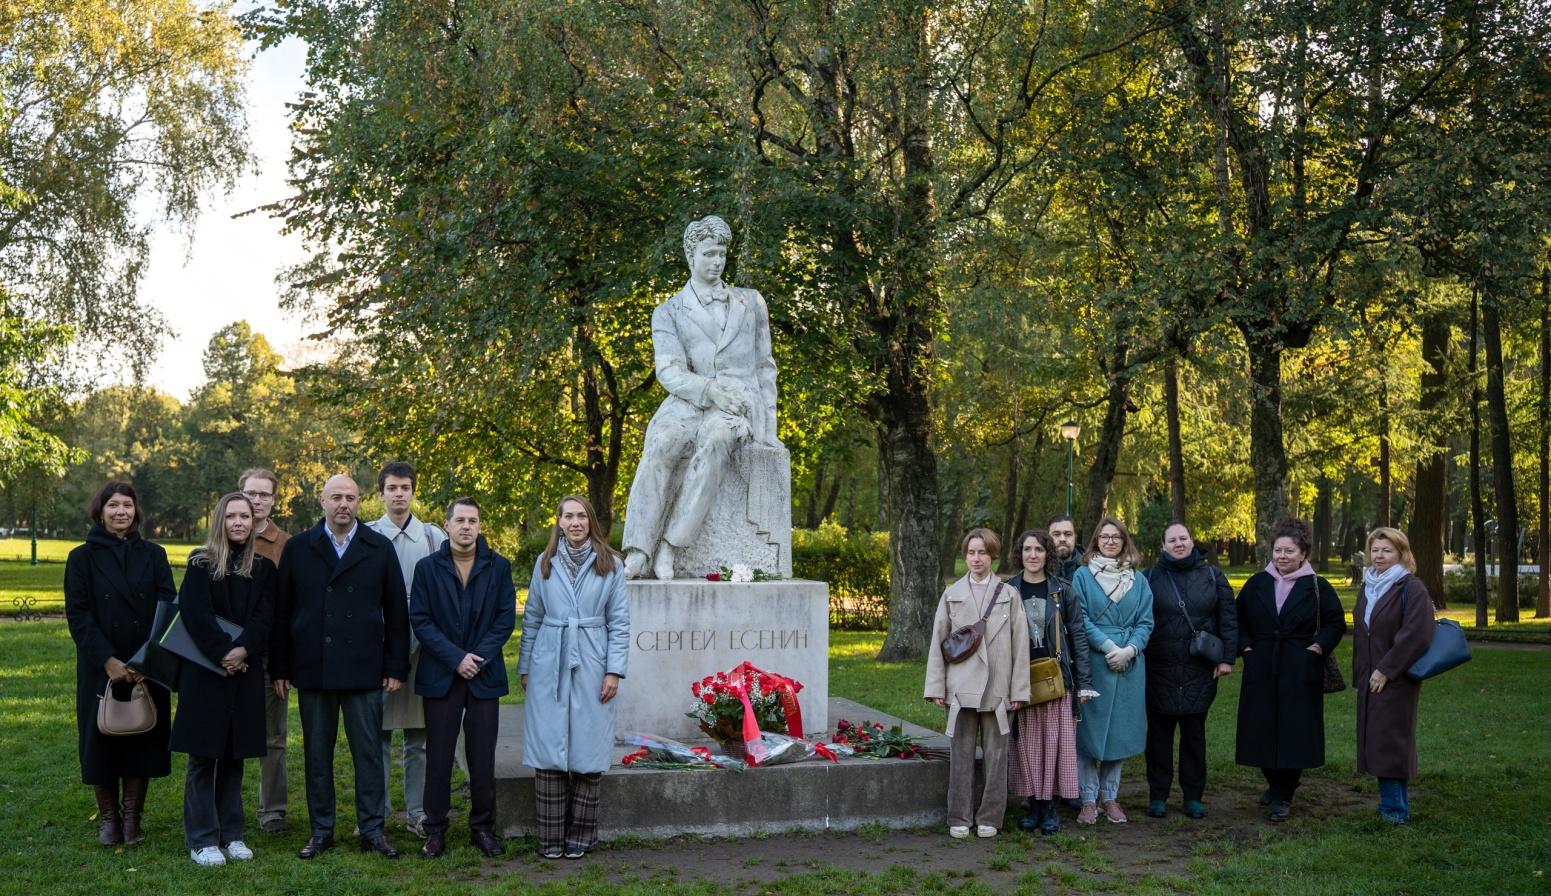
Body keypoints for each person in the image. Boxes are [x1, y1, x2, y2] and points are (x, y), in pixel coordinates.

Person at [622, 215, 782, 580]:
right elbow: (669, 371)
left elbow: (765, 366)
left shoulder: (751, 303)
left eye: (722, 254)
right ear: (690, 256)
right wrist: (710, 390)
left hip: (739, 403)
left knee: (716, 438)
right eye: (708, 253)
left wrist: (768, 426)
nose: (717, 261)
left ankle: (671, 545)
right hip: (690, 400)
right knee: (661, 442)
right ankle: (639, 549)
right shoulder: (668, 312)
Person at [270, 474, 411, 859]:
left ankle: (372, 830)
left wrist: (396, 665)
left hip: (365, 668)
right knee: (317, 755)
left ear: (360, 502)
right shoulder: (299, 547)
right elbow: (282, 613)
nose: (343, 504)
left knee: (368, 754)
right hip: (314, 666)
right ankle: (321, 830)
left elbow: (397, 611)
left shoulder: (378, 547)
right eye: (336, 497)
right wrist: (280, 667)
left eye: (350, 497)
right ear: (322, 501)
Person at [64, 481, 176, 847]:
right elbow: (78, 615)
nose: (121, 512)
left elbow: (167, 608)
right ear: (100, 511)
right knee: (101, 740)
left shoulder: (155, 554)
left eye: (127, 505)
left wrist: (147, 658)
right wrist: (108, 660)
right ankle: (109, 819)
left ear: (136, 511)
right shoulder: (81, 558)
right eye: (113, 505)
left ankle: (133, 820)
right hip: (101, 664)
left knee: (141, 739)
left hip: (146, 662)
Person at [519, 495, 630, 859]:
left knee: (587, 747)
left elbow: (620, 622)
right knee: (549, 748)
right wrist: (525, 665)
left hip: (593, 658)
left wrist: (614, 670)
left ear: (591, 520)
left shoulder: (610, 563)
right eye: (568, 516)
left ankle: (581, 837)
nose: (575, 522)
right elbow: (532, 615)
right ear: (559, 521)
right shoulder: (545, 562)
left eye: (582, 515)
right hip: (549, 657)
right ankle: (550, 838)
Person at [172, 493, 276, 866]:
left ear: (253, 521)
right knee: (203, 756)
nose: (238, 522)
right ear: (220, 521)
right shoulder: (201, 564)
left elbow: (267, 616)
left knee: (235, 756)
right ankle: (202, 839)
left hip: (245, 671)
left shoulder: (263, 568)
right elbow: (194, 613)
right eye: (231, 516)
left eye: (244, 516)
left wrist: (243, 649)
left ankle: (232, 834)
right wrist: (223, 652)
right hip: (205, 671)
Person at [409, 497, 516, 859]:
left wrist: (477, 658)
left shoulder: (498, 567)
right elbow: (420, 619)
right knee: (438, 756)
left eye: (473, 520)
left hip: (484, 676)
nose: (467, 526)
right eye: (460, 520)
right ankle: (435, 830)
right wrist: (456, 658)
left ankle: (482, 828)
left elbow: (504, 619)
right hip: (442, 674)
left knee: (482, 755)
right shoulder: (427, 568)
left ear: (479, 526)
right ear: (448, 524)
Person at [1235, 517, 1346, 822]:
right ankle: (1274, 782)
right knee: (1260, 730)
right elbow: (1237, 619)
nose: (1282, 556)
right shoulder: (1257, 583)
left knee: (1294, 733)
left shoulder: (1316, 586)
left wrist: (1317, 648)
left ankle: (1283, 795)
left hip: (1300, 668)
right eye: (1278, 550)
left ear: (1303, 554)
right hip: (1262, 666)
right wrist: (1245, 648)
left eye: (1289, 551)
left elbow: (1337, 623)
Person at [924, 528, 1030, 839]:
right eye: (971, 552)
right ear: (964, 555)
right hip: (960, 688)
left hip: (999, 689)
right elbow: (937, 643)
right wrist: (935, 688)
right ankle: (959, 815)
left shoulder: (1010, 596)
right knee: (961, 755)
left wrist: (1019, 690)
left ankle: (990, 816)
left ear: (993, 555)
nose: (976, 558)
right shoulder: (951, 595)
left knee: (997, 757)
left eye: (982, 552)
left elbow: (1021, 645)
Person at [365, 461, 446, 839]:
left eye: (405, 488)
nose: (399, 494)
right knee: (376, 734)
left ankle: (417, 812)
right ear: (380, 493)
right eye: (392, 488)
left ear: (414, 492)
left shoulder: (433, 538)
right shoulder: (366, 536)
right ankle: (376, 812)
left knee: (419, 737)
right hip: (377, 647)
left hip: (422, 648)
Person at [1142, 522, 1237, 820]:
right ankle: (1158, 795)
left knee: (1194, 737)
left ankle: (1193, 796)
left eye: (1184, 538)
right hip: (1159, 666)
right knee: (1158, 737)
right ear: (1163, 545)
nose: (1179, 544)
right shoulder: (1150, 577)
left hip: (1200, 668)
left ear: (1192, 541)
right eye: (1172, 540)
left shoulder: (1212, 575)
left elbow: (1229, 619)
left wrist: (1226, 659)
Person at [1006, 528, 1093, 835]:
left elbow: (1079, 636)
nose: (1033, 555)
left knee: (1055, 745)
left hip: (1057, 679)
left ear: (1048, 555)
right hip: (1022, 680)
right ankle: (1033, 804)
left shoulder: (1063, 590)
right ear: (1020, 554)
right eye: (1027, 549)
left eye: (1039, 550)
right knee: (1028, 746)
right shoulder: (1009, 590)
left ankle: (1052, 806)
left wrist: (1083, 682)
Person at [1071, 516, 1153, 825]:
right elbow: (1079, 619)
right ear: (1095, 541)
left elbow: (1145, 621)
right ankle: (1088, 800)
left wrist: (1130, 650)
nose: (1109, 541)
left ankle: (1111, 797)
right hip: (1095, 662)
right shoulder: (1082, 575)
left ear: (1124, 541)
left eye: (1115, 537)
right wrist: (1108, 647)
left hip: (1129, 665)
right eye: (1104, 537)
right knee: (1088, 734)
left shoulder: (1139, 579)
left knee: (1119, 733)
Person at [1353, 527, 1436, 824]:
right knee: (1380, 740)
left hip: (1396, 677)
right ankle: (1394, 806)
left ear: (1402, 553)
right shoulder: (1369, 585)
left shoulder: (1410, 588)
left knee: (1390, 742)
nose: (1379, 556)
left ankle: (1393, 810)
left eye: (1387, 550)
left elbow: (1416, 635)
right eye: (1375, 550)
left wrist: (1386, 670)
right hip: (1370, 677)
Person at [238, 467, 292, 834]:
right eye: (251, 494)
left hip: (270, 655)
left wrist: (284, 665)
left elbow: (289, 608)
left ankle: (272, 809)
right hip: (226, 654)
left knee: (273, 737)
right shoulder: (224, 537)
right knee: (227, 734)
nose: (257, 501)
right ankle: (223, 807)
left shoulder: (286, 544)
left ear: (274, 500)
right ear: (240, 493)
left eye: (264, 495)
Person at [1048, 515, 1085, 581]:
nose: (1062, 539)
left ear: (1075, 537)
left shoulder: (1090, 568)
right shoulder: (1037, 567)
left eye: (1068, 534)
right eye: (1056, 534)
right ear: (1047, 538)